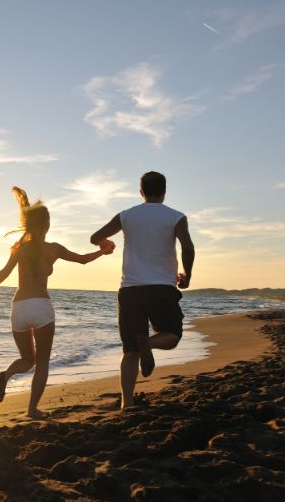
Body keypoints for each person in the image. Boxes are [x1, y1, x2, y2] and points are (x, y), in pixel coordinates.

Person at [0, 187, 115, 418]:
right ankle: (32, 409)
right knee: (41, 363)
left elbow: (3, 272)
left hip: (18, 307)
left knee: (25, 360)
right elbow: (82, 260)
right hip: (41, 307)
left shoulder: (20, 248)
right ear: (47, 225)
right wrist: (103, 251)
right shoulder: (54, 249)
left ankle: (7, 374)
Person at [89, 171, 195, 409]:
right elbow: (188, 248)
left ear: (141, 192)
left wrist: (105, 244)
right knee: (172, 335)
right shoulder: (176, 217)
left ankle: (127, 403)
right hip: (161, 289)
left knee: (130, 350)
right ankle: (149, 343)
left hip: (130, 290)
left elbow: (95, 237)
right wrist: (187, 275)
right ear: (164, 192)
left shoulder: (126, 215)